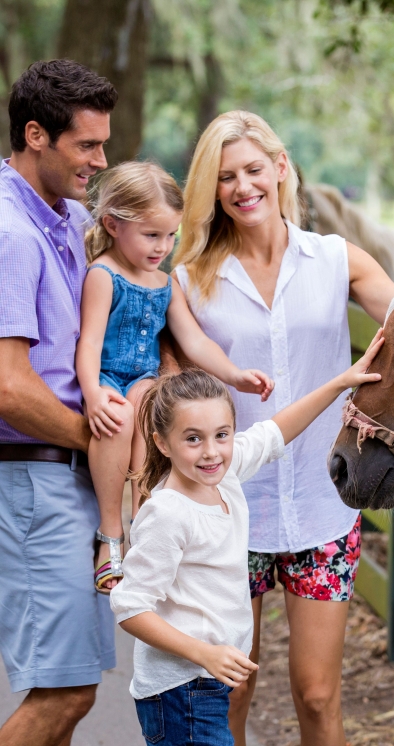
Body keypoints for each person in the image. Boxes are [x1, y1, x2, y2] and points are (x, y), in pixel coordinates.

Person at [172, 110, 394, 746]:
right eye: (225, 177)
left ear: (279, 169)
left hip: (321, 508)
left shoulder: (335, 260)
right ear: (209, 189)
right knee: (229, 693)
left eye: (252, 170)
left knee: (319, 695)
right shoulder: (191, 278)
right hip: (226, 513)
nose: (243, 187)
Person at [110, 330, 384, 746]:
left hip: (207, 683)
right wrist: (204, 653)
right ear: (161, 443)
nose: (211, 452)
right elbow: (129, 607)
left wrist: (339, 383)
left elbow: (276, 430)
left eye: (222, 434)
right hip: (180, 691)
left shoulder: (226, 471)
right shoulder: (167, 512)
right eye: (192, 438)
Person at [76, 161, 274, 594]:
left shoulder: (166, 283)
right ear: (112, 224)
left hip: (146, 379)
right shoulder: (102, 275)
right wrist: (93, 392)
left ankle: (150, 528)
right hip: (107, 376)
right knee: (117, 419)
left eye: (170, 236)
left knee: (153, 414)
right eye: (152, 235)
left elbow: (195, 341)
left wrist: (234, 374)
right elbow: (89, 343)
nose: (163, 247)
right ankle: (111, 535)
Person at [0, 60, 117, 746]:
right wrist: (103, 445)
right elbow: (10, 387)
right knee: (66, 691)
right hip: (34, 474)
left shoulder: (65, 217)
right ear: (36, 135)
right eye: (86, 146)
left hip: (65, 476)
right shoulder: (12, 235)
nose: (99, 162)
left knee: (61, 686)